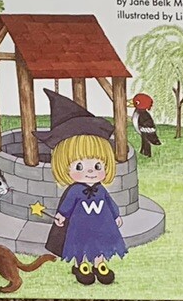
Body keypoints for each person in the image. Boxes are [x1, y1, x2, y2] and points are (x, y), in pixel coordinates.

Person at [49, 133, 127, 285]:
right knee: (80, 244)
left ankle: (100, 265)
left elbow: (109, 202)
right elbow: (67, 204)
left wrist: (116, 215)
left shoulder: (101, 189)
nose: (90, 171)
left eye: (97, 166)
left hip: (101, 224)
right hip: (80, 226)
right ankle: (81, 265)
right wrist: (62, 215)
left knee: (100, 243)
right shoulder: (74, 190)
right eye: (80, 166)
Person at [132, 92, 163, 158]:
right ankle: (144, 152)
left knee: (146, 140)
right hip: (145, 130)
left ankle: (146, 152)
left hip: (147, 131)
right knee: (144, 139)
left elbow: (147, 127)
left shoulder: (142, 115)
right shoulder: (140, 113)